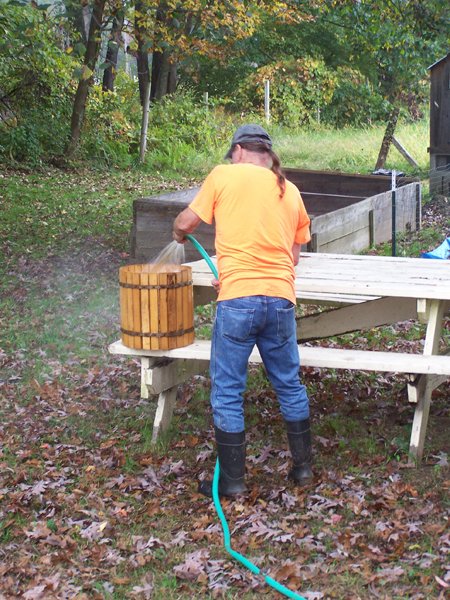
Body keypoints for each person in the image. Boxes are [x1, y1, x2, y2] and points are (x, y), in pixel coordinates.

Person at [173, 124, 313, 498]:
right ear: (267, 154)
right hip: (281, 300)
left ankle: (233, 483)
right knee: (289, 384)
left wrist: (177, 231)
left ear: (237, 150)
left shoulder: (223, 176)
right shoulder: (291, 191)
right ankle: (303, 471)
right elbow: (293, 257)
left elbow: (186, 223)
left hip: (238, 301)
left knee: (228, 392)